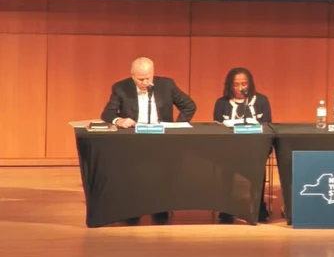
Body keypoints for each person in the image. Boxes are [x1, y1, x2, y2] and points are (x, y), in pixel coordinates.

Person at [100, 56, 197, 225]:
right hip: (134, 140)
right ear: (132, 75)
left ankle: (160, 208)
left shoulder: (167, 85)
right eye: (140, 79)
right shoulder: (120, 88)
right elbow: (107, 114)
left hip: (161, 139)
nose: (145, 82)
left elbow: (189, 105)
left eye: (148, 78)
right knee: (133, 173)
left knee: (163, 172)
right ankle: (133, 209)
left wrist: (175, 127)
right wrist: (119, 120)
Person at [213, 67, 272, 224]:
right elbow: (216, 128)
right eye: (236, 84)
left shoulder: (261, 100)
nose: (240, 88)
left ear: (250, 84)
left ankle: (259, 207)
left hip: (255, 148)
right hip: (229, 149)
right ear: (230, 85)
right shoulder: (221, 103)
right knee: (225, 166)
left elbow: (267, 126)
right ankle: (226, 209)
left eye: (244, 84)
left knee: (258, 164)